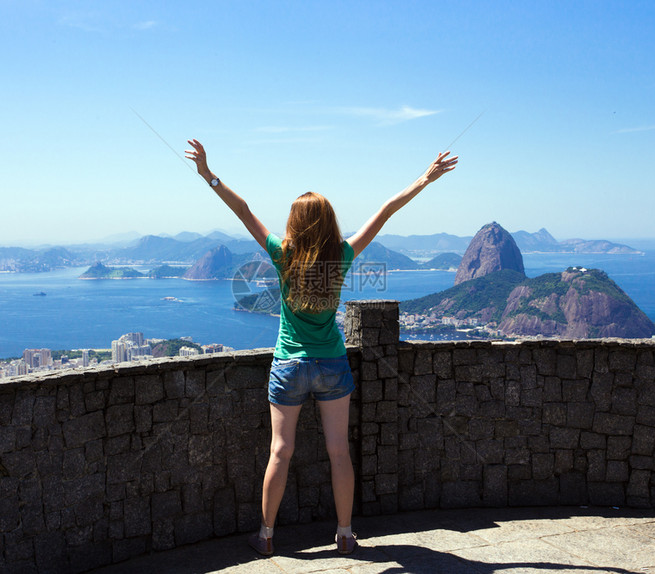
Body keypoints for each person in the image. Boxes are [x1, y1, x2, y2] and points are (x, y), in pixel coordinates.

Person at [185, 139, 458, 556]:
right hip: (332, 363)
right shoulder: (342, 255)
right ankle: (345, 533)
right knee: (338, 452)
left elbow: (242, 211)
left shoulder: (283, 255)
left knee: (281, 451)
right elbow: (385, 211)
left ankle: (265, 536)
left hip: (289, 365)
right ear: (328, 221)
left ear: (295, 222)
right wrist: (425, 177)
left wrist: (209, 174)